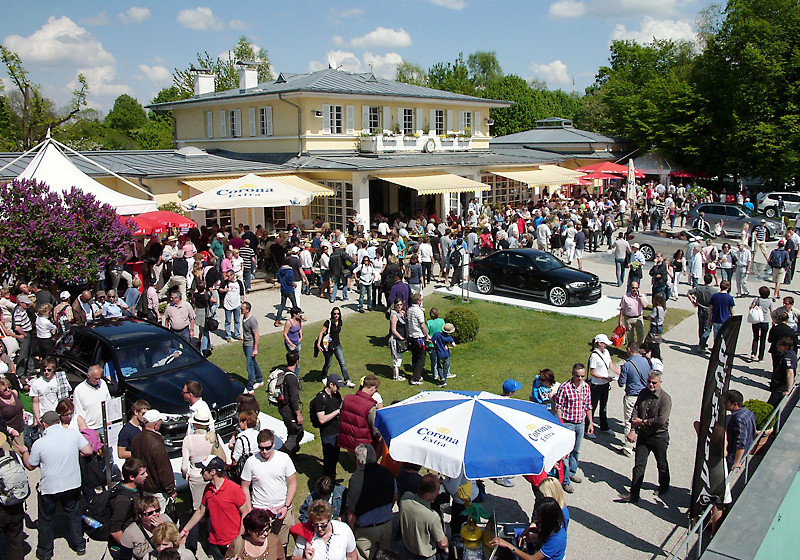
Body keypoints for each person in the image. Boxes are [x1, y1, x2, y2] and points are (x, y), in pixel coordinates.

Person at [16, 410, 93, 559]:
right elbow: (88, 451)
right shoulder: (73, 434)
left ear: (44, 425)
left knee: (45, 521)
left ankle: (45, 552)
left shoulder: (39, 443)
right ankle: (79, 545)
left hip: (50, 488)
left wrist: (25, 452)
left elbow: (30, 465)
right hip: (72, 484)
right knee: (73, 515)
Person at [618, 370, 671, 503]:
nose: (651, 385)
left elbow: (661, 420)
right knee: (639, 465)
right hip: (644, 435)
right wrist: (633, 430)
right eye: (649, 382)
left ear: (660, 382)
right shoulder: (643, 393)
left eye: (654, 383)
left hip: (659, 436)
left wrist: (642, 422)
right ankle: (634, 494)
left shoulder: (665, 399)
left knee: (661, 464)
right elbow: (635, 411)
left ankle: (664, 486)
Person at [181, 455, 249, 560]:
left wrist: (239, 540)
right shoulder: (208, 489)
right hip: (214, 542)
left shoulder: (234, 489)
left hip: (232, 543)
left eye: (203, 470)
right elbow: (201, 510)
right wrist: (185, 530)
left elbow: (245, 513)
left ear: (213, 472)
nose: (201, 473)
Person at [240, 429, 298, 550]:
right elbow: (244, 487)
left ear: (273, 444)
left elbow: (293, 483)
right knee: (261, 546)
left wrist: (286, 506)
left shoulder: (284, 458)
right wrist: (249, 510)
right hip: (260, 511)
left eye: (268, 448)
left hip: (282, 509)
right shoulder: (251, 462)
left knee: (281, 546)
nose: (264, 451)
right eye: (261, 448)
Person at [344, 444, 396, 560]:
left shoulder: (356, 479)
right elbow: (395, 495)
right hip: (386, 526)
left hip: (365, 532)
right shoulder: (387, 472)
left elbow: (351, 510)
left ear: (358, 460)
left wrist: (350, 531)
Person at [554, 364, 593, 494]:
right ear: (572, 374)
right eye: (578, 376)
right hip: (568, 423)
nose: (580, 379)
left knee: (576, 451)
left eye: (582, 376)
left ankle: (572, 473)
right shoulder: (565, 387)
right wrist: (560, 423)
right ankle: (565, 481)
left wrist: (591, 423)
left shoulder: (586, 387)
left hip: (580, 423)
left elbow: (588, 405)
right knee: (566, 453)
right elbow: (559, 406)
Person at [490, 497, 567, 560]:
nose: (538, 519)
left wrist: (509, 546)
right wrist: (529, 529)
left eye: (540, 516)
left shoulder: (556, 539)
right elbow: (540, 525)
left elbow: (532, 559)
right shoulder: (554, 521)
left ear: (547, 518)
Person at [131, 409, 176, 511]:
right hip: (158, 490)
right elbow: (163, 470)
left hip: (142, 487)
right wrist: (171, 490)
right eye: (160, 422)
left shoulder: (136, 439)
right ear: (155, 424)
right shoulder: (157, 443)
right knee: (160, 516)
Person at [398, 473, 448, 560]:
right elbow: (442, 543)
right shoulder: (432, 517)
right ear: (428, 495)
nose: (438, 493)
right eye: (437, 491)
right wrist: (446, 541)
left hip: (407, 550)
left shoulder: (405, 498)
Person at [292, 499, 357, 560]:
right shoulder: (305, 534)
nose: (319, 529)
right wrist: (305, 558)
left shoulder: (344, 529)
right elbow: (295, 558)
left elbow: (352, 557)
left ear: (330, 520)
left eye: (323, 525)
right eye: (316, 525)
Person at [108, 458, 148, 555]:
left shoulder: (136, 489)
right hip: (122, 549)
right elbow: (115, 531)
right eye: (142, 474)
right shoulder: (123, 501)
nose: (146, 475)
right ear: (131, 477)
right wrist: (130, 549)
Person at [617, 343, 651, 457]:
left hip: (632, 396)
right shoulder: (646, 361)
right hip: (644, 396)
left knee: (629, 422)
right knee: (641, 421)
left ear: (629, 349)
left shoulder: (627, 365)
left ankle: (628, 448)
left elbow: (621, 383)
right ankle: (641, 445)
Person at [118, 495, 174, 560]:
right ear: (141, 516)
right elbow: (124, 557)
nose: (155, 514)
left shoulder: (166, 520)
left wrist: (162, 528)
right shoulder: (130, 532)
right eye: (150, 513)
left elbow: (176, 543)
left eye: (157, 510)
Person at [311, 374, 346, 479]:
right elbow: (321, 419)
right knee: (329, 458)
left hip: (337, 430)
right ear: (331, 385)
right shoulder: (320, 399)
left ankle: (332, 477)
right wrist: (337, 412)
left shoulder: (337, 395)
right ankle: (327, 480)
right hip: (328, 433)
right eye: (337, 386)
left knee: (335, 457)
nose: (339, 389)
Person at [338, 375, 382, 454]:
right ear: (373, 388)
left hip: (348, 441)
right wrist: (380, 438)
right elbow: (375, 427)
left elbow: (341, 416)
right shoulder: (370, 406)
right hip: (363, 445)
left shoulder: (347, 399)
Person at [587, 334, 620, 438]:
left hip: (605, 384)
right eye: (605, 344)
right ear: (600, 343)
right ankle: (588, 427)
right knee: (592, 406)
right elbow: (593, 372)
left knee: (604, 406)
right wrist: (604, 378)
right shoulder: (594, 356)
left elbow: (611, 365)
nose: (606, 346)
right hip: (596, 385)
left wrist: (619, 373)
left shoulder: (606, 352)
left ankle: (604, 426)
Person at [317, 308, 354, 387]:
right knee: (328, 363)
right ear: (332, 314)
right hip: (329, 347)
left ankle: (347, 380)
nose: (336, 315)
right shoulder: (328, 322)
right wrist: (318, 344)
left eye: (338, 314)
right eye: (335, 314)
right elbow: (321, 333)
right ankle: (324, 376)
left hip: (337, 345)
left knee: (342, 363)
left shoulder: (340, 322)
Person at [277, 350, 304, 456]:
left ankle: (293, 453)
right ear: (297, 361)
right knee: (297, 432)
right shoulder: (291, 378)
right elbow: (294, 399)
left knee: (291, 430)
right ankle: (282, 455)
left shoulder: (283, 372)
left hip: (282, 407)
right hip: (289, 410)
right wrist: (298, 414)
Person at [725, 390, 756, 473]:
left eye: (726, 402)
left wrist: (736, 463)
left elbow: (740, 443)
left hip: (732, 456)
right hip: (745, 451)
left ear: (735, 404)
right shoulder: (749, 413)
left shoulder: (738, 419)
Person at [74, 364, 111, 432]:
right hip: (90, 428)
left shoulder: (103, 383)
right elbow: (78, 413)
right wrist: (85, 430)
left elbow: (108, 403)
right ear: (88, 376)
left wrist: (110, 419)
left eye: (99, 378)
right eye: (95, 379)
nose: (98, 381)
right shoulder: (79, 390)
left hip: (104, 426)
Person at [688, 274, 718, 354]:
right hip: (709, 310)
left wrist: (693, 301)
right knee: (708, 328)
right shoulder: (714, 291)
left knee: (701, 327)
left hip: (700, 309)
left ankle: (701, 342)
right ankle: (702, 344)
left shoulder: (699, 288)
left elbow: (689, 293)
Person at [406, 293, 431, 386]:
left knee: (415, 356)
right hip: (419, 337)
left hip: (411, 336)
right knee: (421, 358)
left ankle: (416, 373)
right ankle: (415, 378)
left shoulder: (409, 310)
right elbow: (422, 325)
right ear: (419, 301)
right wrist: (427, 335)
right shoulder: (419, 311)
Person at [242, 301, 264, 393]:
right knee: (253, 362)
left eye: (242, 309)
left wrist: (255, 349)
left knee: (249, 366)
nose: (241, 310)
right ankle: (259, 379)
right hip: (246, 344)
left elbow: (256, 335)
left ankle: (250, 387)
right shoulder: (244, 318)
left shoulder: (252, 320)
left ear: (247, 310)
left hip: (250, 345)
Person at [768, 337, 796, 408]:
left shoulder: (787, 357)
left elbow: (790, 373)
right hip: (778, 385)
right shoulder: (791, 353)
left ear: (786, 347)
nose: (778, 346)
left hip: (781, 386)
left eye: (780, 345)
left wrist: (788, 390)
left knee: (770, 406)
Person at [619, 282, 648, 346]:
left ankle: (640, 349)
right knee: (630, 337)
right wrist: (620, 320)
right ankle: (631, 349)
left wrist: (640, 296)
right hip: (628, 319)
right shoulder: (625, 297)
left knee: (641, 336)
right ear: (630, 288)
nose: (635, 289)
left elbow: (645, 305)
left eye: (636, 288)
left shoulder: (641, 296)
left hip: (638, 318)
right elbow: (622, 309)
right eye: (633, 288)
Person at [219, 269, 245, 342]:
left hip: (237, 304)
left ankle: (237, 334)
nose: (227, 277)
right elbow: (220, 289)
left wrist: (242, 302)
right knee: (228, 320)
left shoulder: (239, 283)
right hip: (228, 305)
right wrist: (224, 290)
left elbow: (242, 293)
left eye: (228, 276)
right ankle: (228, 335)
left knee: (237, 320)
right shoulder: (226, 282)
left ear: (233, 275)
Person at [749, 287, 773, 362]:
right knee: (763, 339)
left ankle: (753, 353)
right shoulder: (770, 301)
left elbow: (750, 307)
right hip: (765, 321)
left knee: (755, 337)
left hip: (756, 320)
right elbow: (771, 312)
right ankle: (761, 357)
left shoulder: (757, 299)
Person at [431, 323, 457, 388]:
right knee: (446, 368)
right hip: (447, 354)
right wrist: (448, 345)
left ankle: (442, 379)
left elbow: (432, 340)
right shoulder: (449, 337)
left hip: (439, 354)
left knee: (439, 367)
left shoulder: (437, 334)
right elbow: (454, 345)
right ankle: (444, 380)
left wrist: (435, 343)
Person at [194, 280, 216, 357]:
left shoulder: (195, 295)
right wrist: (213, 292)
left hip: (199, 313)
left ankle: (208, 346)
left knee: (203, 330)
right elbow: (215, 300)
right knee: (205, 333)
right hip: (205, 314)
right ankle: (203, 350)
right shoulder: (206, 296)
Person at [388, 299, 408, 382]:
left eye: (401, 305)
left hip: (400, 339)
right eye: (398, 305)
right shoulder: (394, 316)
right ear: (395, 305)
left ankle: (397, 374)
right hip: (395, 340)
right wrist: (401, 338)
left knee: (399, 357)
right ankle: (395, 376)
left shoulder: (400, 314)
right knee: (396, 358)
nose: (399, 306)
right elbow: (393, 330)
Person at [275, 257, 298, 327]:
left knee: (282, 305)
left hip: (283, 289)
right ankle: (297, 317)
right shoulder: (290, 270)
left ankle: (277, 319)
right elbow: (290, 281)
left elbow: (279, 279)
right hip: (289, 289)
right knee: (294, 304)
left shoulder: (280, 270)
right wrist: (294, 284)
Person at [283, 307, 304, 380]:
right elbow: (285, 334)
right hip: (290, 343)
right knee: (293, 360)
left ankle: (297, 376)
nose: (300, 315)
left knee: (298, 359)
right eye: (298, 313)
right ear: (294, 314)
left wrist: (301, 336)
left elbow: (300, 328)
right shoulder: (289, 322)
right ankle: (291, 375)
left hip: (297, 342)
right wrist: (291, 344)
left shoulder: (299, 320)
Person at [646, 293, 667, 360]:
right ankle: (657, 356)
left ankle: (653, 356)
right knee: (657, 342)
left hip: (655, 327)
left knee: (650, 342)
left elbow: (651, 317)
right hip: (660, 326)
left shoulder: (656, 309)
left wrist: (648, 317)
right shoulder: (664, 309)